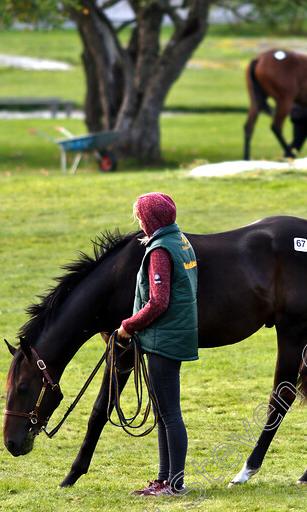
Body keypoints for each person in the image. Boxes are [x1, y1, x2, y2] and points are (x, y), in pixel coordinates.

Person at [117, 192, 199, 497]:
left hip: (164, 338)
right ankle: (165, 479)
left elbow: (158, 302)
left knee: (169, 413)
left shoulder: (160, 251)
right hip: (173, 334)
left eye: (140, 215)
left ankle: (174, 484)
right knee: (165, 412)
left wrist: (127, 326)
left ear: (150, 219)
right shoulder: (180, 241)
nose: (138, 221)